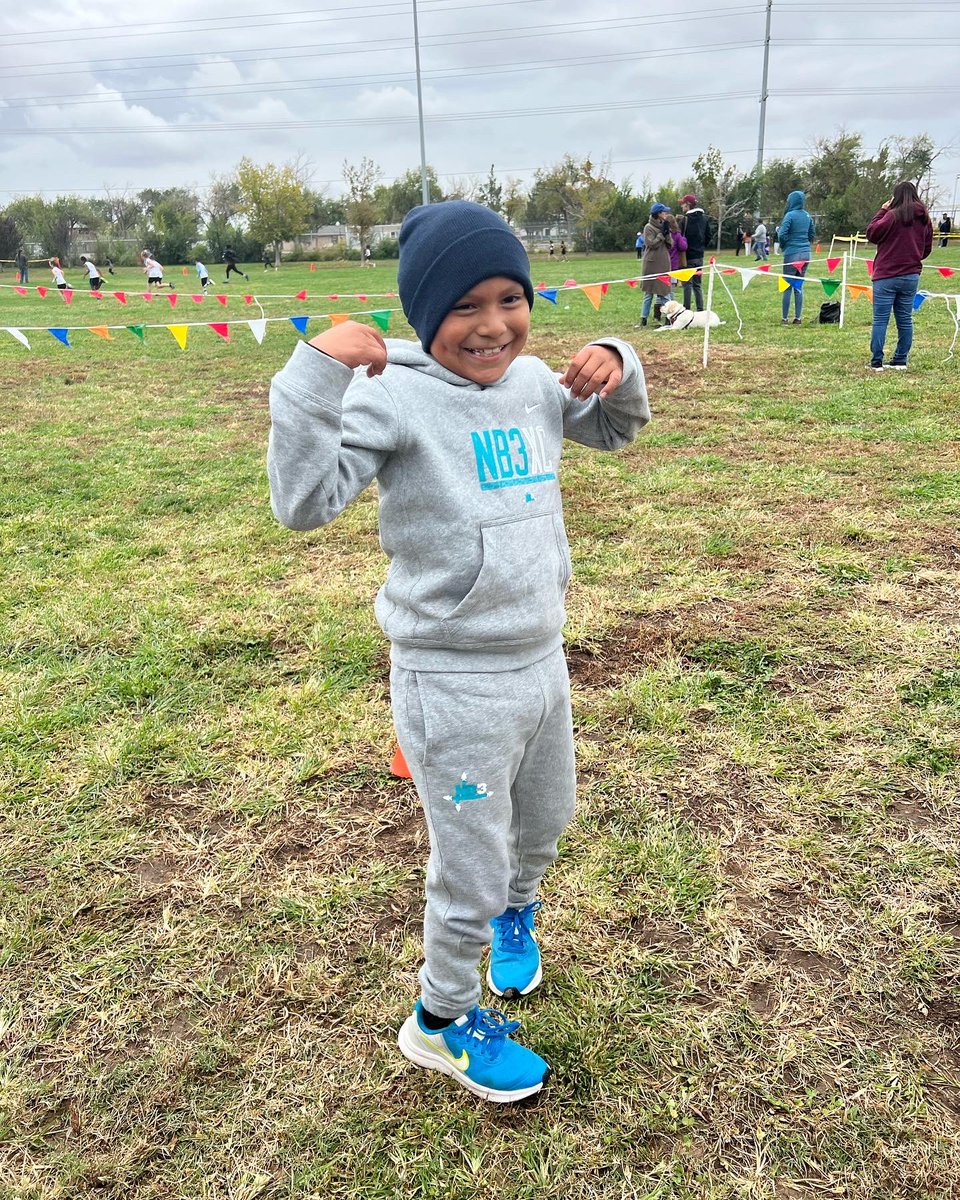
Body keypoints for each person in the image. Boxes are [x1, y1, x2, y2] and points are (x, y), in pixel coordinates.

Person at [266, 200, 650, 1104]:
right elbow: (302, 501)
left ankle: (519, 917)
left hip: (542, 660)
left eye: (511, 298)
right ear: (424, 312)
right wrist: (315, 373)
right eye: (466, 305)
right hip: (453, 680)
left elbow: (613, 427)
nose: (493, 325)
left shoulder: (529, 382)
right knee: (468, 864)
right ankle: (438, 1022)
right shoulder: (389, 395)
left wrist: (619, 366)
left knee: (544, 821)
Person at [865, 180, 933, 371]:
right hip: (911, 275)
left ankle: (877, 361)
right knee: (905, 319)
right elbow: (926, 248)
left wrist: (882, 210)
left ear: (895, 197)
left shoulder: (892, 216)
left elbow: (872, 233)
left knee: (881, 319)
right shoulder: (925, 218)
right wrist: (914, 256)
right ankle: (900, 359)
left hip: (886, 274)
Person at [778, 190, 815, 325]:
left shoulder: (789, 215)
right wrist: (805, 243)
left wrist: (785, 244)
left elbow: (782, 234)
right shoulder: (807, 216)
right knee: (798, 286)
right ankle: (798, 318)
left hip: (791, 254)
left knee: (787, 286)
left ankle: (785, 318)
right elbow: (812, 233)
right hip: (806, 254)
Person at [639, 202, 673, 326]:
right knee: (648, 293)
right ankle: (643, 318)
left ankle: (669, 317)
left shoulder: (664, 226)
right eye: (664, 212)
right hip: (651, 263)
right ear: (658, 214)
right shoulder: (648, 227)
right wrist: (661, 235)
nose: (666, 214)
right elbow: (651, 244)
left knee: (664, 292)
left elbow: (671, 245)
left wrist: (667, 234)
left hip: (663, 262)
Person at [678, 194, 707, 311]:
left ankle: (687, 310)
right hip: (699, 256)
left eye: (682, 204)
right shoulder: (704, 219)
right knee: (697, 284)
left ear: (688, 205)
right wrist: (701, 247)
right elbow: (708, 236)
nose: (681, 206)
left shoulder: (684, 220)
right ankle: (700, 309)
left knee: (687, 284)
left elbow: (680, 238)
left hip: (687, 256)